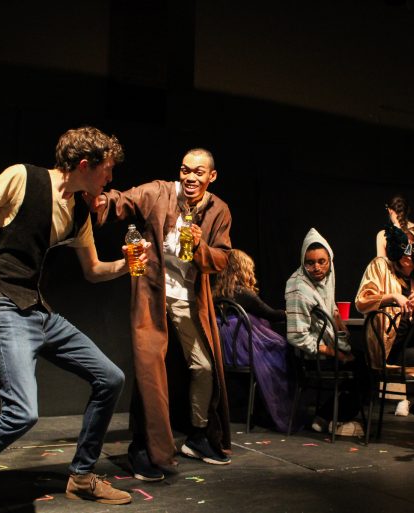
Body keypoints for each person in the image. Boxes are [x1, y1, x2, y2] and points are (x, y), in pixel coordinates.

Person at [0, 127, 139, 513]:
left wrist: (128, 264)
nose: (110, 177)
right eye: (107, 169)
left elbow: (93, 270)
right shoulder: (22, 177)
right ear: (84, 165)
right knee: (21, 413)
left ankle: (82, 476)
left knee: (111, 378)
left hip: (38, 311)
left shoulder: (80, 211)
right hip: (3, 304)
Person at [90, 148, 232, 482]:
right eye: (185, 170)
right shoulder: (160, 192)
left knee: (205, 366)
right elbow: (123, 200)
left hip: (188, 298)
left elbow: (222, 259)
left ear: (211, 176)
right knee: (149, 370)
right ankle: (143, 447)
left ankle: (198, 435)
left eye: (198, 172)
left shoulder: (219, 210)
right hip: (152, 293)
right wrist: (101, 201)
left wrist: (200, 247)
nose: (190, 177)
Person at [356, 222, 414, 438]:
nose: (408, 254)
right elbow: (361, 301)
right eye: (404, 247)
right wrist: (392, 297)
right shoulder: (381, 266)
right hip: (390, 348)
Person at [285, 228, 359, 435]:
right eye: (310, 263)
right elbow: (296, 336)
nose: (316, 267)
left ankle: (327, 416)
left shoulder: (328, 274)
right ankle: (332, 417)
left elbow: (331, 307)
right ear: (303, 262)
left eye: (321, 261)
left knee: (368, 361)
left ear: (330, 261)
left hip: (329, 343)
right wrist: (336, 353)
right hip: (311, 355)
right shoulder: (299, 288)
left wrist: (340, 327)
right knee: (366, 369)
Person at [212, 249, 293, 432]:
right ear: (242, 269)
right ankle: (276, 409)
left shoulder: (216, 293)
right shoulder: (244, 293)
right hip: (241, 348)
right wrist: (289, 313)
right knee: (282, 350)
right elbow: (270, 314)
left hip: (224, 350)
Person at [376, 194, 414, 277]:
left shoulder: (383, 235)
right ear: (408, 210)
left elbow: (381, 271)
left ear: (390, 210)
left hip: (394, 285)